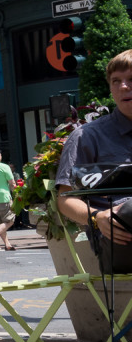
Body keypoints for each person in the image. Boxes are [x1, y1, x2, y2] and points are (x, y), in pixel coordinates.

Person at [56, 49, 132, 247]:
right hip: (117, 236)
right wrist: (97, 217)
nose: (124, 86)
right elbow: (65, 199)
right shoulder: (86, 137)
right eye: (116, 81)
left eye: (131, 79)